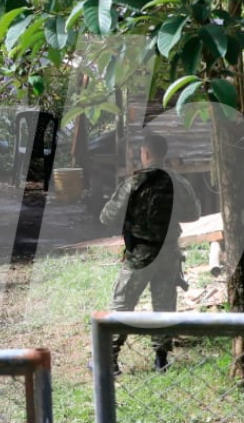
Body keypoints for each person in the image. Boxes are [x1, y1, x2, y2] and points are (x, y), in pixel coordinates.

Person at [98, 132, 200, 373]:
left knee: (122, 303)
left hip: (140, 254)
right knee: (164, 305)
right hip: (168, 254)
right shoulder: (179, 182)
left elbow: (107, 216)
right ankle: (161, 359)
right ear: (163, 155)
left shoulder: (134, 182)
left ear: (145, 154)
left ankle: (110, 360)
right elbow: (194, 214)